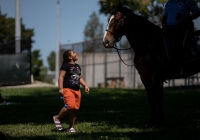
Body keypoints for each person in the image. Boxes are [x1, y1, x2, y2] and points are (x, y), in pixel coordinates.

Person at [53, 50, 89, 132]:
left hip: (77, 90)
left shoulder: (78, 66)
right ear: (70, 57)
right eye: (73, 53)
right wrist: (60, 88)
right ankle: (57, 118)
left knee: (75, 109)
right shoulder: (65, 66)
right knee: (70, 106)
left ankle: (71, 127)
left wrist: (85, 85)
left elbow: (80, 78)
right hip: (68, 89)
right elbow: (61, 77)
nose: (76, 53)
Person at [161, 0, 200, 74]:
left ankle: (181, 67)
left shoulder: (187, 1)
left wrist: (187, 19)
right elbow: (164, 17)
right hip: (169, 30)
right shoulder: (169, 3)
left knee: (179, 44)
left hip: (183, 29)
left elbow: (198, 12)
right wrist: (163, 23)